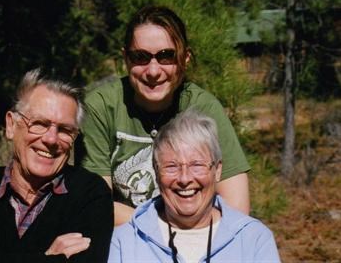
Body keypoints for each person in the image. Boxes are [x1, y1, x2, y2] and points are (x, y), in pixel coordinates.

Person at [78, 5, 251, 225]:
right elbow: (95, 204)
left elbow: (237, 208)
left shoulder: (204, 109)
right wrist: (166, 229)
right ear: (126, 58)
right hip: (124, 239)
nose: (153, 71)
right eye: (140, 57)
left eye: (166, 56)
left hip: (195, 238)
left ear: (185, 58)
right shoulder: (101, 107)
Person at [0, 69, 114, 263]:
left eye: (65, 130)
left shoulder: (90, 193)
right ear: (11, 125)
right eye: (39, 123)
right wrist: (47, 258)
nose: (51, 139)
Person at [108, 109, 280, 262]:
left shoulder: (253, 239)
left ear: (217, 170)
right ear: (156, 172)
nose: (184, 178)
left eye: (197, 165)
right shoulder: (126, 240)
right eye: (171, 166)